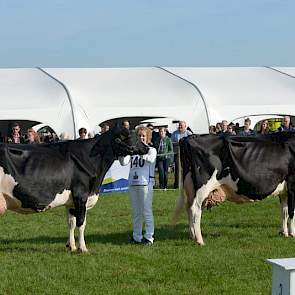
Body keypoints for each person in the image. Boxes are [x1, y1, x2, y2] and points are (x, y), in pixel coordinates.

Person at [119, 126, 157, 246]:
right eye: (139, 136)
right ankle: (137, 236)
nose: (141, 138)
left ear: (148, 137)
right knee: (136, 212)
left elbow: (150, 159)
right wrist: (121, 152)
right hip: (133, 183)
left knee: (146, 211)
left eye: (143, 136)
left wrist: (140, 152)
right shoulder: (133, 151)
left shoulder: (151, 149)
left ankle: (149, 237)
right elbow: (123, 162)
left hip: (146, 184)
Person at [171, 121, 192, 189]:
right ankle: (177, 184)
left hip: (187, 155)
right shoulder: (174, 133)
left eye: (181, 126)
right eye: (179, 125)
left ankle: (186, 184)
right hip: (177, 154)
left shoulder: (189, 133)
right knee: (177, 169)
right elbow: (171, 143)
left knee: (186, 169)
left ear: (185, 126)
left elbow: (192, 143)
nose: (180, 127)